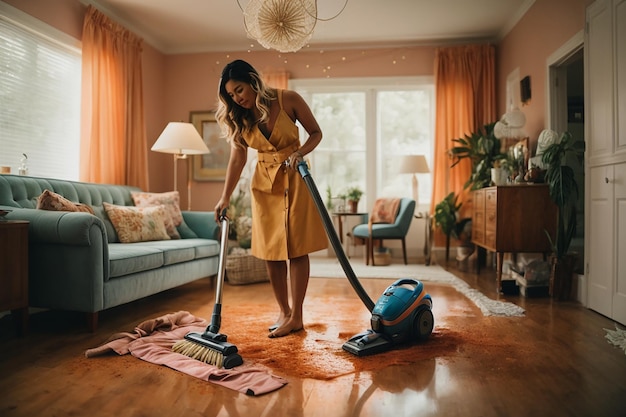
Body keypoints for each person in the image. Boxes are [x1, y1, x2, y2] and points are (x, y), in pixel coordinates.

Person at [214, 59, 328, 338]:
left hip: (296, 177)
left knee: (296, 248)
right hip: (264, 183)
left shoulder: (288, 99)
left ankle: (297, 316)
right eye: (231, 95)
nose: (236, 98)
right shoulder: (239, 118)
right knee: (270, 250)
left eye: (239, 90)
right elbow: (238, 158)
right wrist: (224, 197)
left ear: (253, 80)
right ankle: (283, 311)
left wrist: (299, 154)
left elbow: (316, 133)